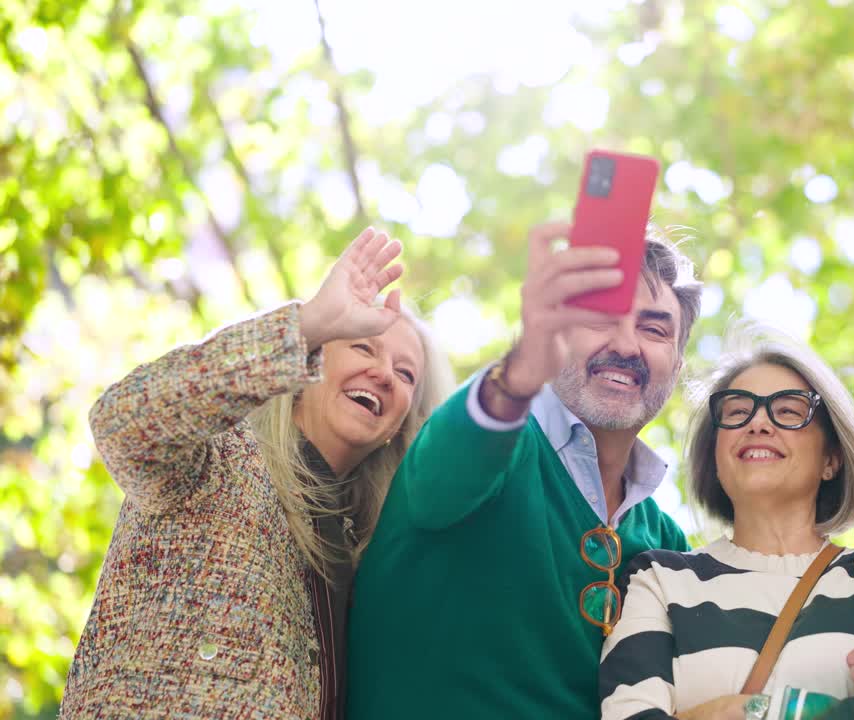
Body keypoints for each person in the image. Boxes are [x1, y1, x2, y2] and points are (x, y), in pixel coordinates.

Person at [60, 229, 454, 718]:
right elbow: (121, 422)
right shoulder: (214, 458)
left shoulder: (371, 551)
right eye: (363, 348)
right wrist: (310, 323)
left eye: (406, 374)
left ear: (400, 425)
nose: (383, 374)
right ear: (307, 365)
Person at [346, 222, 702, 719]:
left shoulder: (666, 542)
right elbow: (453, 462)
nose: (626, 344)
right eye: (598, 319)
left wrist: (851, 566)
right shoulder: (492, 441)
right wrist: (517, 375)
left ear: (678, 363)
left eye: (654, 328)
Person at [600, 331, 854, 720]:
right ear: (715, 455)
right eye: (737, 411)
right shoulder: (658, 579)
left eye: (790, 411)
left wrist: (750, 711)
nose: (758, 423)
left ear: (832, 458)